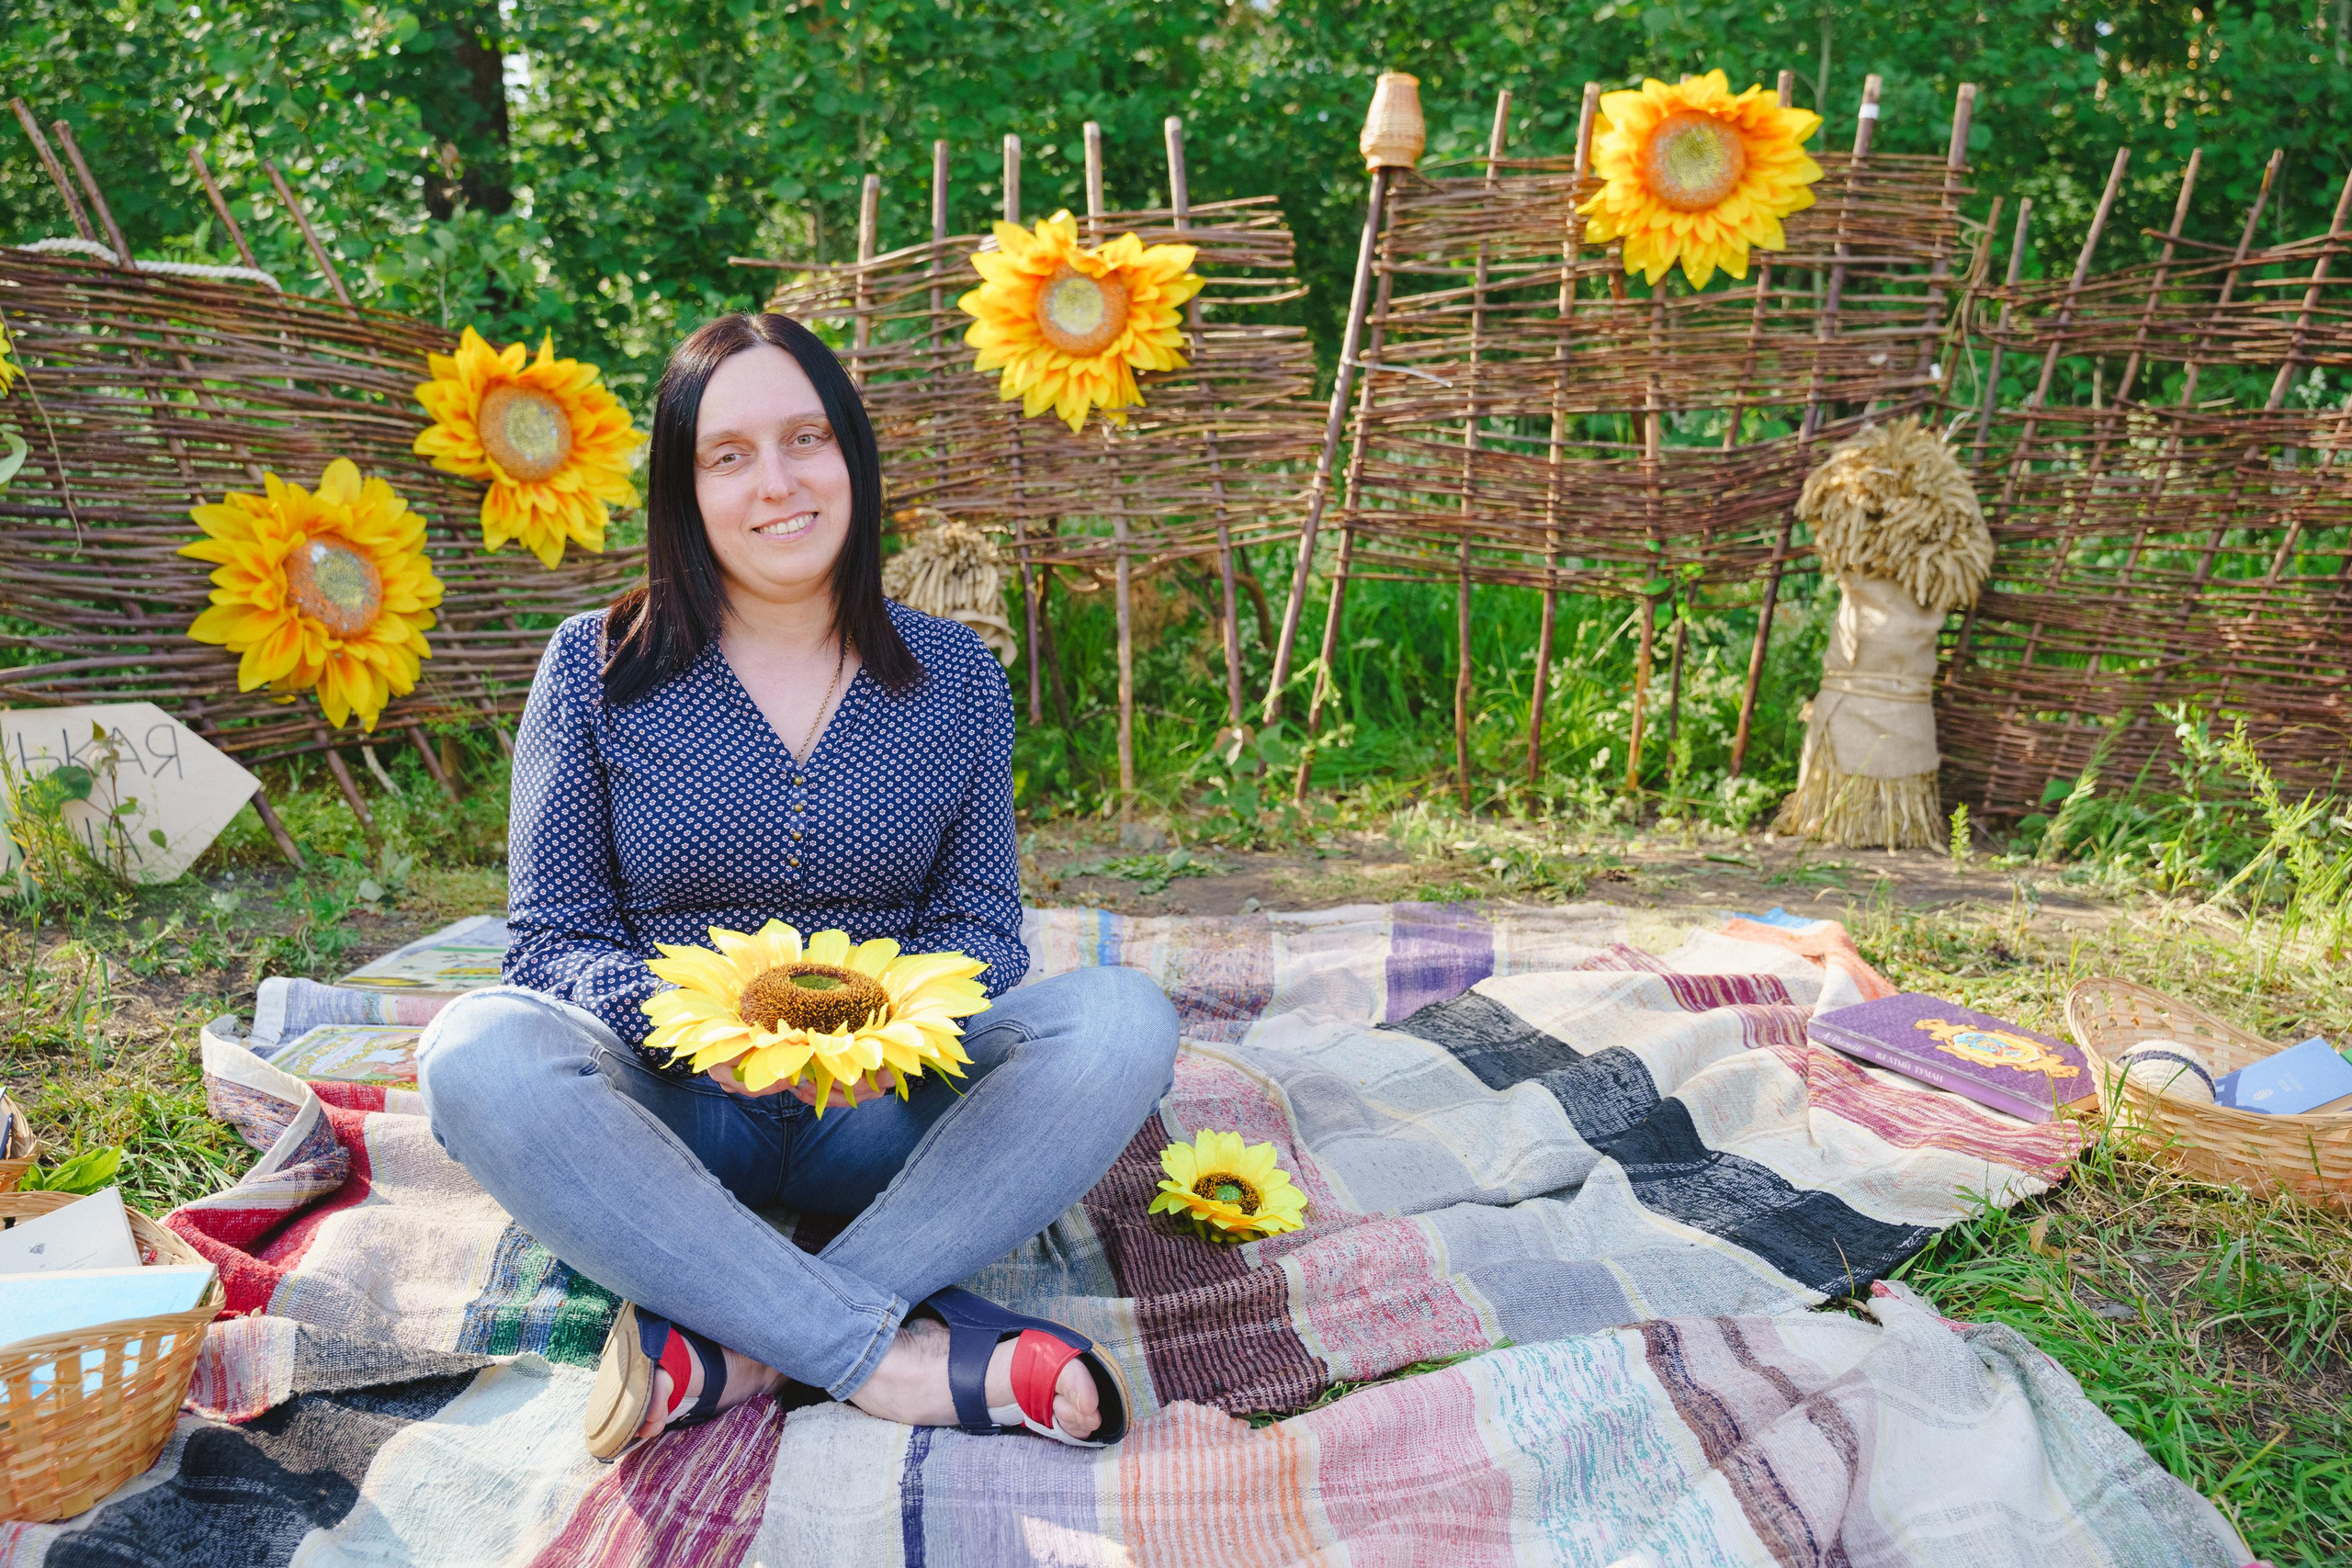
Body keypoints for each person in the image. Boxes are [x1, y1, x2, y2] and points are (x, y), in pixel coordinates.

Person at [416, 311, 1179, 1457]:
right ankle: (883, 1350)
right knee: (473, 1052)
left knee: (1123, 1018)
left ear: (853, 461)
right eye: (729, 455)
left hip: (882, 1120)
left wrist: (883, 1041)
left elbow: (979, 925)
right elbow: (551, 940)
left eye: (805, 439)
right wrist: (694, 1030)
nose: (776, 482)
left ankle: (743, 1342)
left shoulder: (956, 675)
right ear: (685, 488)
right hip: (673, 1111)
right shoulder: (593, 664)